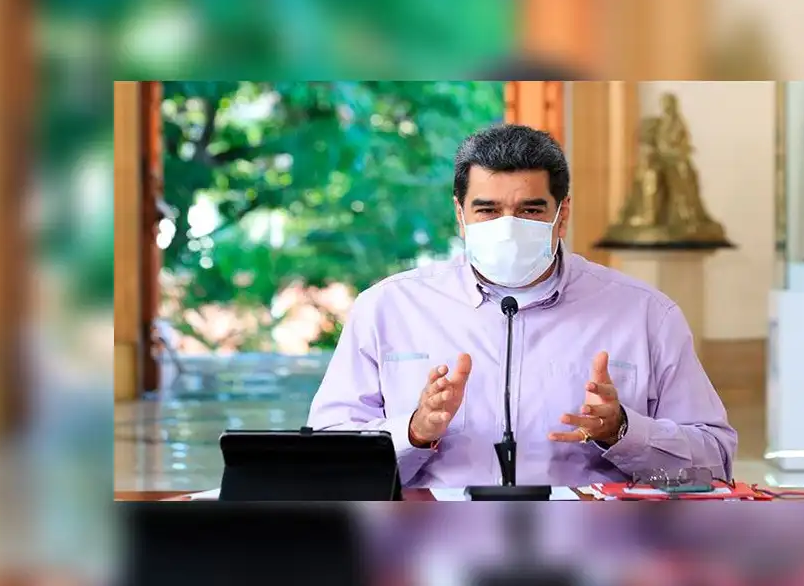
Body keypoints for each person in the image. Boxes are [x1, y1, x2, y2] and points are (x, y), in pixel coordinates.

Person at [307, 124, 737, 488]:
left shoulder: (646, 315)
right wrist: (414, 431)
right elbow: (322, 465)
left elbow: (716, 463)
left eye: (530, 210)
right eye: (487, 210)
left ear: (561, 214)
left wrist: (623, 431)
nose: (507, 228)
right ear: (460, 214)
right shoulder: (388, 308)